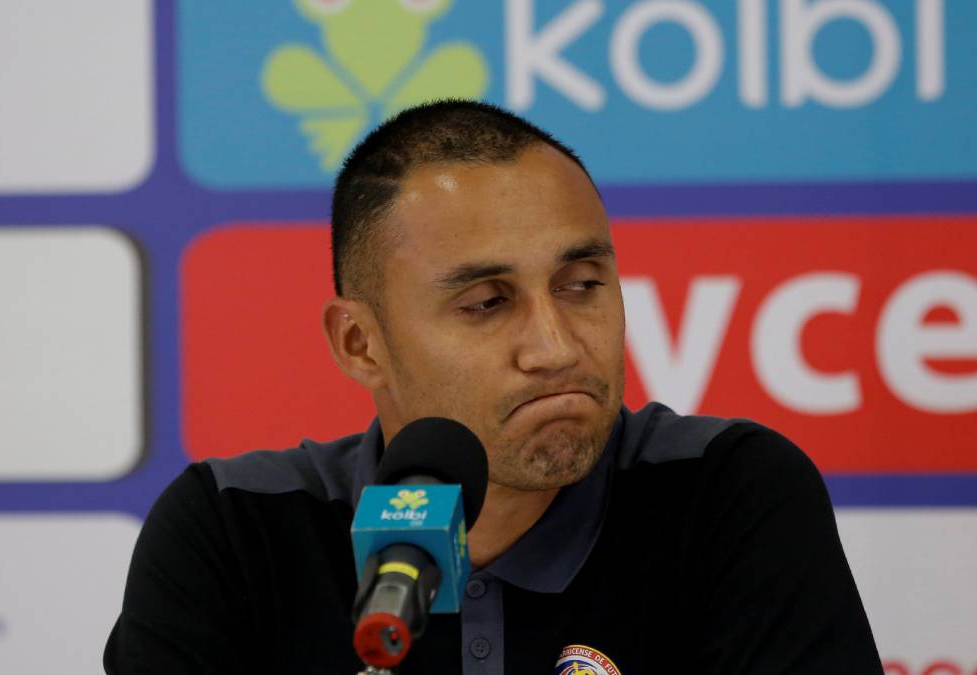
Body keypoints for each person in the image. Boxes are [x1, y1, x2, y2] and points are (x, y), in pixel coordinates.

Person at [105, 100, 882, 674]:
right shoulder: (235, 529)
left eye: (581, 284)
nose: (554, 346)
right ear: (359, 342)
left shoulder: (727, 491)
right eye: (486, 302)